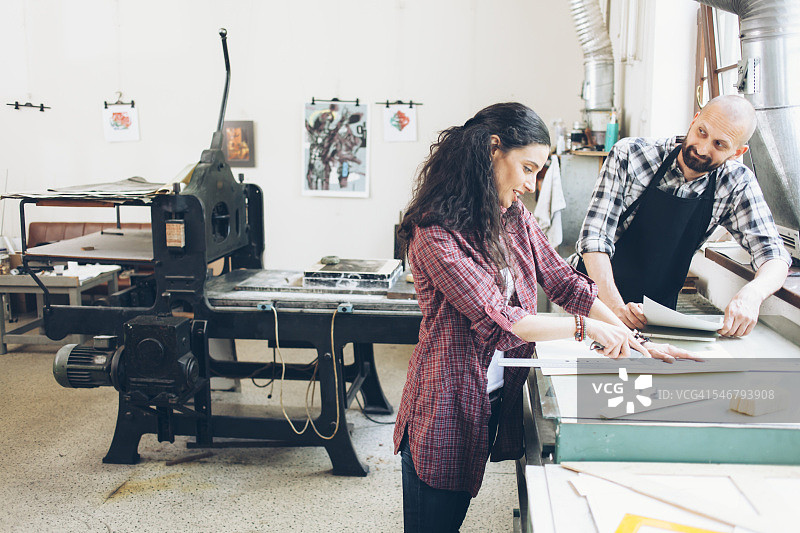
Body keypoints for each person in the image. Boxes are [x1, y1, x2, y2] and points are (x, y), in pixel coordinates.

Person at [393, 102, 696, 533]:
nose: (532, 185)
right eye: (527, 168)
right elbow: (504, 320)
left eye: (539, 172)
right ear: (492, 150)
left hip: (491, 396)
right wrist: (586, 328)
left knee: (453, 512)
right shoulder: (435, 234)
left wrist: (635, 341)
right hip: (445, 402)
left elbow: (566, 284)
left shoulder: (512, 217)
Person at [575, 95, 790, 337]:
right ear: (694, 120)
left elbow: (774, 254)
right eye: (702, 132)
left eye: (719, 144)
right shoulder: (631, 155)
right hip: (594, 300)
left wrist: (752, 295)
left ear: (737, 152)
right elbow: (594, 239)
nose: (702, 148)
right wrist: (615, 308)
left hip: (657, 314)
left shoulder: (737, 183)